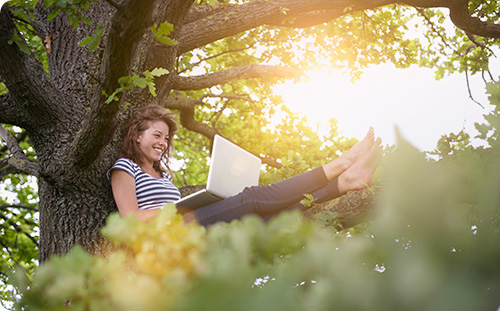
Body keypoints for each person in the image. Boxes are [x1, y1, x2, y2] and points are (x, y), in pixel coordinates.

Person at [108, 105, 382, 226]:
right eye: (156, 135)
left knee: (265, 219)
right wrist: (174, 210)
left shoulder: (163, 176)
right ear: (136, 136)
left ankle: (342, 184)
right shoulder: (125, 167)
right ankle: (342, 163)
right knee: (252, 197)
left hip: (188, 228)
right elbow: (131, 219)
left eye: (166, 138)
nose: (163, 143)